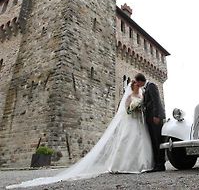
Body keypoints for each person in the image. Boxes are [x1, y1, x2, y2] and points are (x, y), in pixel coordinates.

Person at [6, 81, 154, 189]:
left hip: (137, 122)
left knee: (137, 142)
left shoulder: (141, 93)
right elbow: (126, 108)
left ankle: (139, 164)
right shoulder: (129, 96)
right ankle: (125, 165)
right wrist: (132, 108)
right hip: (131, 121)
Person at [134, 73, 166, 172]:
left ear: (140, 81)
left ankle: (160, 164)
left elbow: (156, 101)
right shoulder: (146, 88)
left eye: (137, 82)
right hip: (150, 118)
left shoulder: (151, 86)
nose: (137, 85)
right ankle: (157, 164)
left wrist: (157, 116)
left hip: (154, 118)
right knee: (153, 141)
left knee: (157, 141)